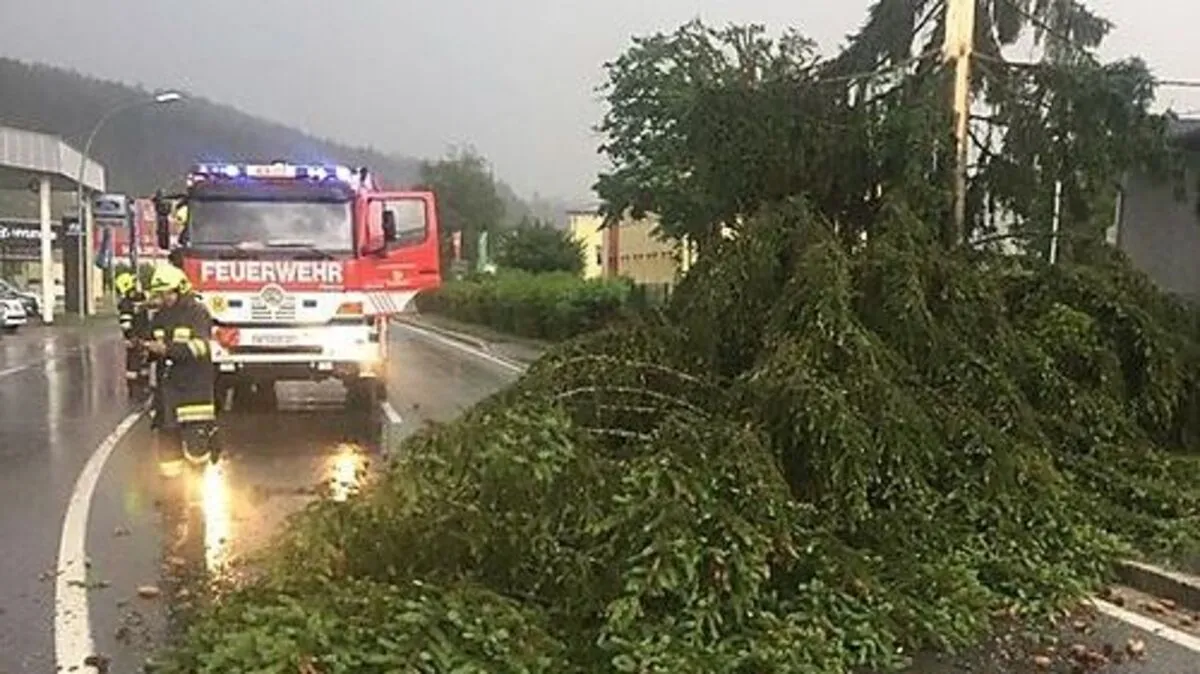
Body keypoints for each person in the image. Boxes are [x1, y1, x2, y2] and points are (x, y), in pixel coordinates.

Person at [143, 263, 219, 466]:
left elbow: (201, 347)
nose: (163, 298)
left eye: (167, 293)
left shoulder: (196, 312)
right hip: (167, 394)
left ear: (180, 288)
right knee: (168, 454)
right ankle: (172, 493)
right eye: (160, 294)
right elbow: (151, 342)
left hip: (193, 392)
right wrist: (146, 348)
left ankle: (196, 494)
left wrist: (168, 350)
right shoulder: (160, 316)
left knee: (197, 451)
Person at [114, 271, 151, 398]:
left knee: (144, 365)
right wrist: (131, 337)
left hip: (143, 337)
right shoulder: (126, 304)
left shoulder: (140, 299)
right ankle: (135, 390)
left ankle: (143, 387)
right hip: (134, 339)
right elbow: (125, 324)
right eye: (133, 283)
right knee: (133, 366)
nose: (136, 285)